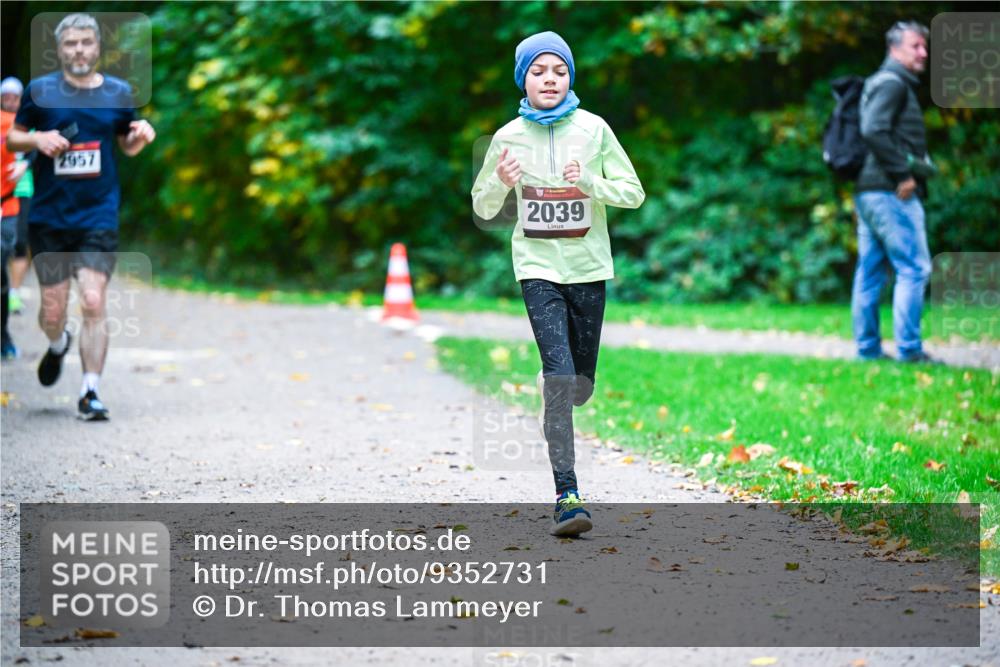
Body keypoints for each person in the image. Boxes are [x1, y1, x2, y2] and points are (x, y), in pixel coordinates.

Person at [472, 31, 644, 536]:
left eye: (560, 71)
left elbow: (633, 193)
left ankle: (559, 387)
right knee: (560, 378)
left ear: (571, 77)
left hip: (589, 269)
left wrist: (590, 181)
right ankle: (567, 496)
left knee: (579, 385)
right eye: (540, 71)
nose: (550, 79)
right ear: (523, 78)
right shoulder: (506, 137)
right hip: (537, 268)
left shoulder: (594, 130)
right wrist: (500, 181)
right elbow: (483, 208)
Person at [6, 13, 156, 419]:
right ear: (59, 49)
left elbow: (127, 142)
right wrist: (38, 137)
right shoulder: (40, 91)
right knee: (52, 314)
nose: (78, 50)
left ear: (98, 48)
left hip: (97, 215)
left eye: (86, 43)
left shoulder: (118, 92)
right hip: (51, 217)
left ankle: (91, 392)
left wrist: (139, 136)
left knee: (93, 300)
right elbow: (14, 136)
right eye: (70, 43)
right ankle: (58, 344)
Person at [853, 21, 937, 364]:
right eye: (916, 46)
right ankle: (909, 350)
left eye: (924, 47)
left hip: (869, 191)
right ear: (895, 49)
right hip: (890, 192)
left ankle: (868, 350)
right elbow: (873, 129)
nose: (924, 53)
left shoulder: (880, 82)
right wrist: (904, 174)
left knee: (870, 271)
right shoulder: (893, 84)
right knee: (914, 269)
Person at [1, 77, 31, 317]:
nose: (11, 101)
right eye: (6, 97)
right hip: (4, 192)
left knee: (20, 244)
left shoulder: (32, 120)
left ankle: (14, 293)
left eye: (15, 97)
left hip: (25, 191)